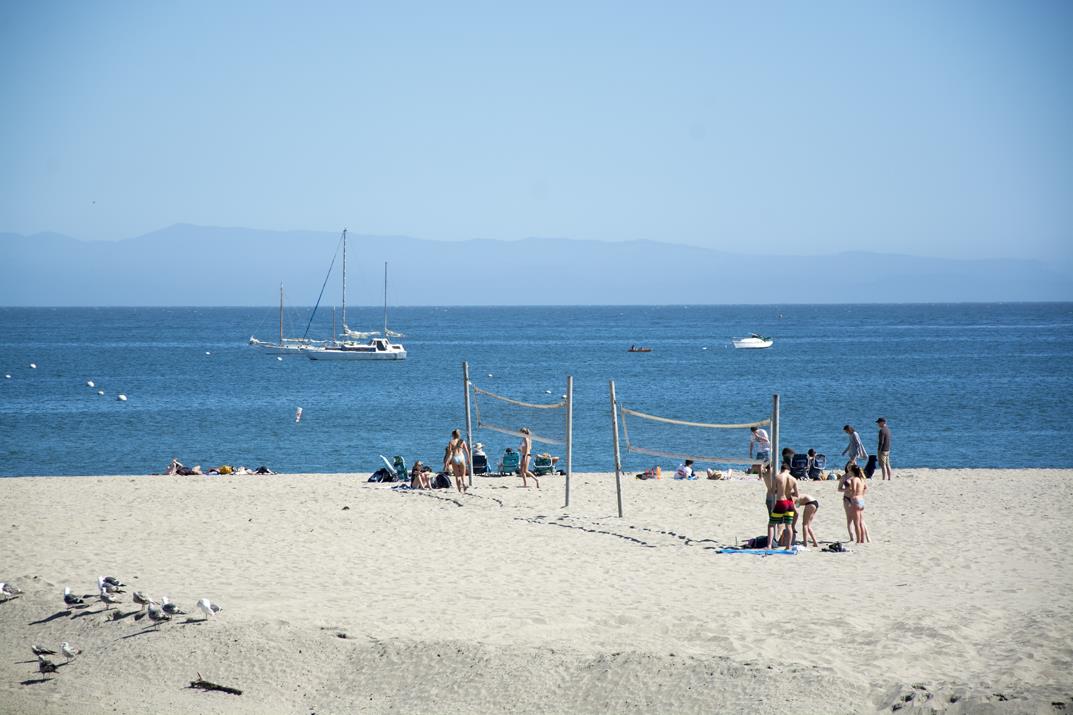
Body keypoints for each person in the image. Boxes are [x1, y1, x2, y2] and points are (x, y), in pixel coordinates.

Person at [766, 459, 798, 550]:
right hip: (790, 503)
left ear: (782, 469)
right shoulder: (793, 479)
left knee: (771, 524)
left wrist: (779, 491)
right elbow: (797, 495)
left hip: (781, 502)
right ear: (788, 470)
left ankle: (769, 545)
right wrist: (789, 492)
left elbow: (772, 491)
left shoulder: (778, 477)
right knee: (788, 526)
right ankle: (788, 546)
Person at [839, 463, 870, 544]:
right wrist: (861, 494)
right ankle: (862, 539)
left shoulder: (854, 479)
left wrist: (851, 495)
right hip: (861, 500)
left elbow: (853, 490)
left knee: (856, 523)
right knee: (860, 521)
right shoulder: (861, 479)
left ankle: (858, 540)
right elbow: (865, 488)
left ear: (852, 471)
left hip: (855, 500)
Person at [443, 429, 470, 493]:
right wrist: (468, 459)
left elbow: (449, 454)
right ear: (459, 434)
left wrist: (446, 462)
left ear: (453, 435)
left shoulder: (451, 442)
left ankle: (459, 491)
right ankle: (463, 483)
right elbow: (466, 451)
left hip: (454, 458)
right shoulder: (462, 441)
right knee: (463, 474)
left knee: (457, 475)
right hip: (461, 457)